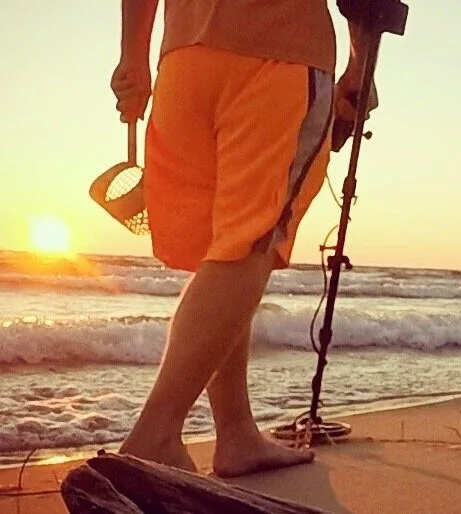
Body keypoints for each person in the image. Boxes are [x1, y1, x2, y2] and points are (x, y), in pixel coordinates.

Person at [110, 0, 374, 477]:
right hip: (280, 53)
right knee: (248, 247)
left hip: (183, 61)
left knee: (220, 254)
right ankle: (154, 435)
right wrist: (360, 66)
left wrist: (133, 57)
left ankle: (235, 433)